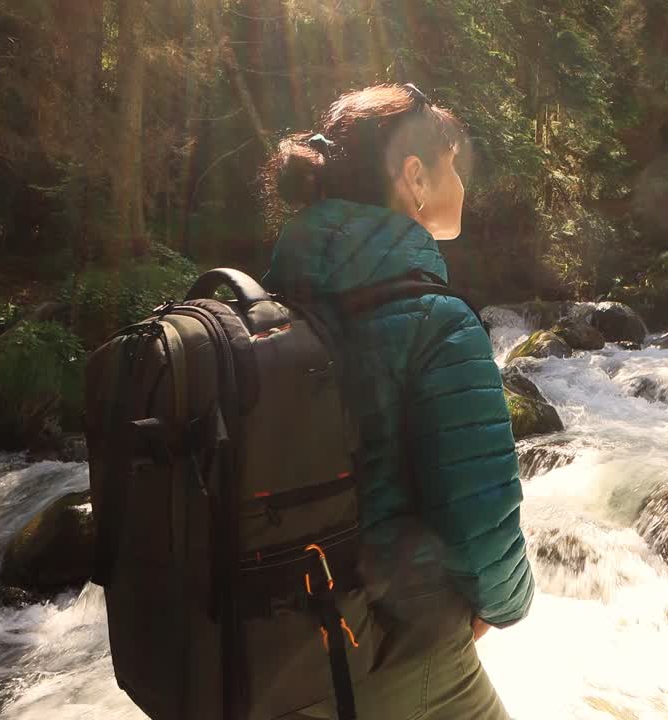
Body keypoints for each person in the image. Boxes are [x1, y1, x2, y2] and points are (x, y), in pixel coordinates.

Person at [261, 83, 534, 719]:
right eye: (453, 164)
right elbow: (481, 527)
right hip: (380, 640)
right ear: (414, 176)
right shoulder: (438, 323)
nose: (462, 182)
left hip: (267, 638)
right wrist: (503, 608)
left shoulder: (277, 305)